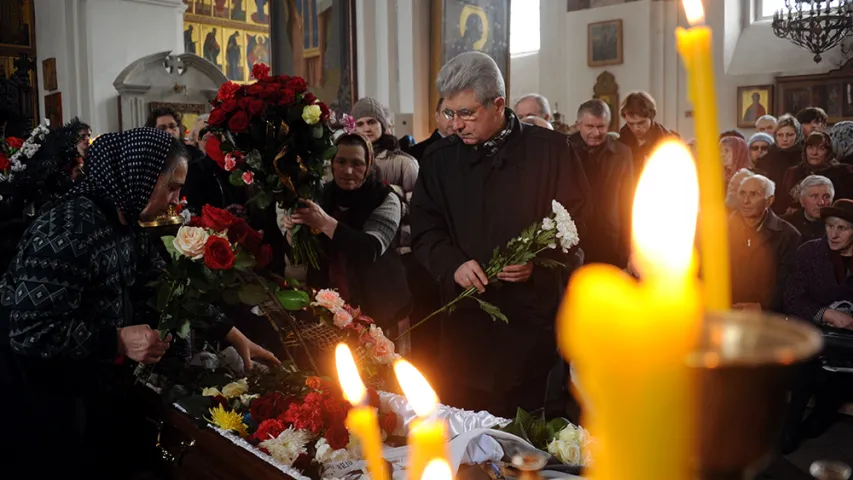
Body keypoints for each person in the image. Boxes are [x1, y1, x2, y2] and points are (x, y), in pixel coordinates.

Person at [0, 128, 278, 477]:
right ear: (140, 175)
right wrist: (115, 339)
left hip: (92, 388)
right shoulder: (66, 229)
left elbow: (162, 284)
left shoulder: (126, 220)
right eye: (172, 187)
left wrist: (233, 334)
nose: (177, 201)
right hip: (43, 402)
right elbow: (29, 331)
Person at [411, 51, 590, 417]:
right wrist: (453, 264)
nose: (455, 125)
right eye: (449, 113)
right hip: (466, 330)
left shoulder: (552, 152)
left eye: (466, 113)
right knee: (465, 439)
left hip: (529, 330)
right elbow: (425, 230)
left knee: (525, 443)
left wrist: (538, 265)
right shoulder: (440, 160)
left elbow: (578, 226)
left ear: (498, 105)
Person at [276, 133, 411, 331]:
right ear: (332, 163)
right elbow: (304, 253)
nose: (348, 171)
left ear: (369, 164)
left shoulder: (387, 198)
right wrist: (292, 230)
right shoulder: (319, 195)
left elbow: (369, 249)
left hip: (381, 304)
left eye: (357, 163)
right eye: (341, 161)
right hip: (328, 305)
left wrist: (324, 222)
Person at [783, 198, 853, 451]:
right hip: (814, 333)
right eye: (829, 226)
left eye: (842, 228)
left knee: (840, 380)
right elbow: (792, 299)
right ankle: (789, 431)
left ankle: (819, 419)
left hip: (849, 342)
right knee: (804, 369)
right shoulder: (809, 252)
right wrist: (826, 314)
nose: (833, 234)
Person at [568, 99, 634, 267]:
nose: (596, 133)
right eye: (590, 126)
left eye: (601, 126)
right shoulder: (563, 149)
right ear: (578, 125)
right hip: (572, 238)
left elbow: (628, 200)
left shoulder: (622, 153)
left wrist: (628, 245)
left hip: (610, 238)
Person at [352, 97, 419, 254]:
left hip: (399, 247)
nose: (366, 128)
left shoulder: (405, 162)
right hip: (362, 245)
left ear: (382, 124)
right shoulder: (348, 164)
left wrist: (392, 200)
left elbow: (420, 209)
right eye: (360, 124)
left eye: (372, 122)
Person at [728, 171, 801, 312]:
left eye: (754, 194)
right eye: (742, 193)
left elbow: (787, 282)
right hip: (724, 311)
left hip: (765, 316)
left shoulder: (788, 235)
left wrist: (764, 307)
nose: (745, 200)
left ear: (769, 201)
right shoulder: (719, 231)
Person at [779, 131, 853, 215]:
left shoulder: (842, 172)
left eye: (821, 148)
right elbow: (783, 202)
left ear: (828, 152)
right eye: (810, 147)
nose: (814, 153)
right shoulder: (793, 172)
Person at [618, 91, 679, 177]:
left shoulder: (669, 141)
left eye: (641, 123)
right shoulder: (620, 142)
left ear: (651, 117)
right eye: (630, 124)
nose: (636, 128)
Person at [754, 114, 804, 192]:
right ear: (775, 136)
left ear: (798, 135)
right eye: (780, 135)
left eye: (789, 135)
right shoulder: (767, 158)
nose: (784, 139)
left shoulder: (805, 157)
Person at [784, 175, 835, 244]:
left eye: (826, 197)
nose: (821, 203)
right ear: (801, 200)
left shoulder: (839, 226)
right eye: (814, 196)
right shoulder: (786, 225)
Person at [408, 97, 457, 162]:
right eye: (448, 113)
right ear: (437, 117)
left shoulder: (470, 149)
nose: (454, 119)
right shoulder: (417, 152)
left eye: (460, 114)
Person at [721, 136, 753, 210]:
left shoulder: (748, 176)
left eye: (726, 151)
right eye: (720, 151)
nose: (722, 154)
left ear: (739, 152)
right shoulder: (717, 176)